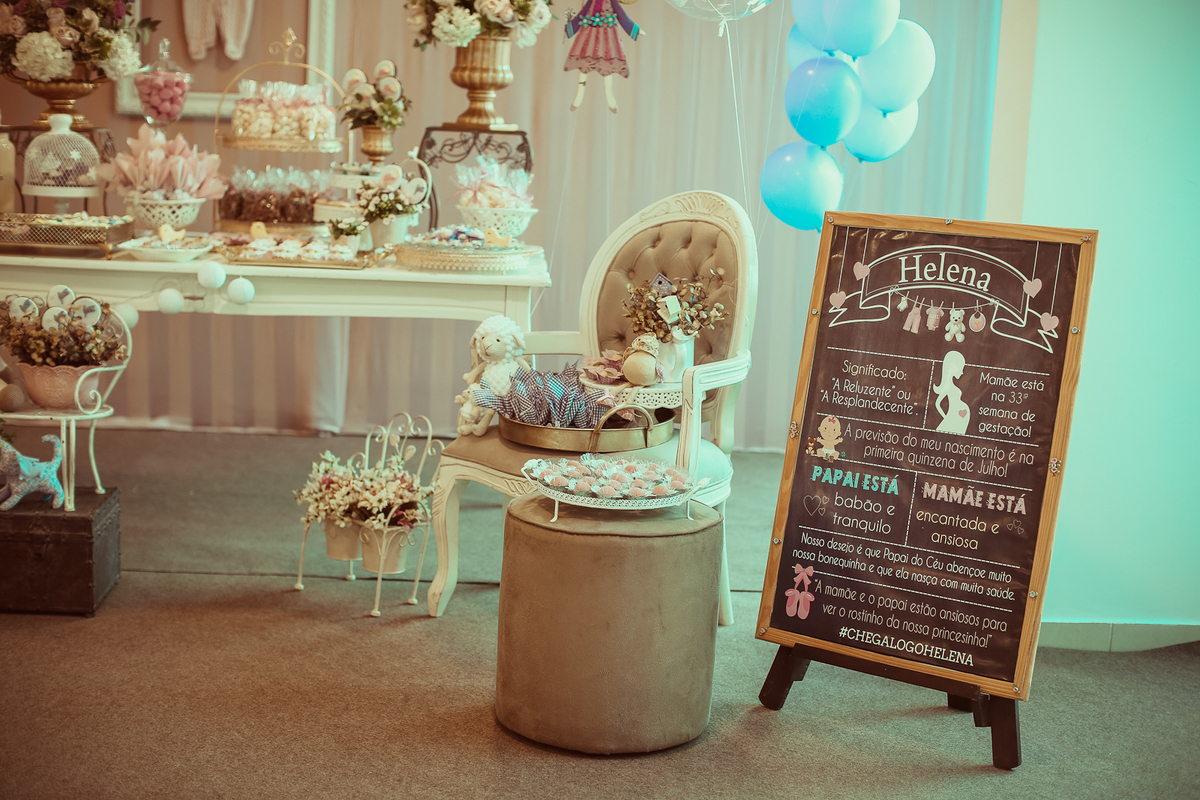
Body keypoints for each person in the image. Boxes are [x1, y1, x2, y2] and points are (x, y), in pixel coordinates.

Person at [565, 0, 645, 113]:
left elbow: (621, 15)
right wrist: (571, 27)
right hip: (589, 35)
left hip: (606, 36)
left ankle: (610, 98)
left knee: (607, 65)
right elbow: (582, 13)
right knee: (584, 64)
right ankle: (579, 96)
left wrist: (635, 29)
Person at [933, 350, 970, 434]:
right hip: (953, 417)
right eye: (961, 368)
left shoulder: (950, 386)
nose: (962, 372)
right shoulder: (947, 387)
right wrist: (946, 418)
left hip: (959, 418)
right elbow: (937, 404)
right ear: (953, 367)